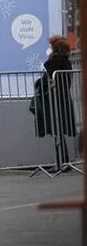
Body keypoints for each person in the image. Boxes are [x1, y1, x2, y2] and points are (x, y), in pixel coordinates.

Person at [42, 35, 77, 168]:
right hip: (64, 97)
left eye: (50, 45)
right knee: (59, 130)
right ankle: (64, 161)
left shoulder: (55, 60)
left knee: (57, 130)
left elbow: (49, 77)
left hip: (57, 97)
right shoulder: (65, 59)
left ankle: (61, 162)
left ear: (54, 46)